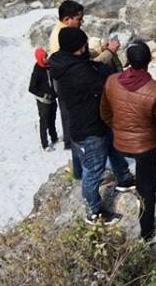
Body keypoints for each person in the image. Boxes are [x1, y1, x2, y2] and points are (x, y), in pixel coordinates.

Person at [49, 27, 136, 226]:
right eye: (84, 45)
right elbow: (103, 84)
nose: (86, 48)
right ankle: (94, 212)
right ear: (76, 48)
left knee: (113, 149)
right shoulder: (77, 71)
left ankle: (124, 178)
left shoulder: (65, 61)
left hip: (93, 121)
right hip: (89, 128)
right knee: (93, 171)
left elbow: (95, 69)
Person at [99, 41, 156, 241]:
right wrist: (155, 140)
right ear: (149, 61)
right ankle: (147, 232)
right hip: (145, 147)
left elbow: (105, 114)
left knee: (142, 181)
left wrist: (119, 129)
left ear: (128, 61)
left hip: (119, 142)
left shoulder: (111, 81)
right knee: (146, 189)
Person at [49, 0, 85, 176]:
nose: (81, 22)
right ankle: (79, 167)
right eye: (79, 19)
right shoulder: (62, 35)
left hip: (65, 81)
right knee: (74, 122)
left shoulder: (62, 31)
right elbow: (69, 63)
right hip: (69, 83)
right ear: (67, 19)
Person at [28, 47, 59, 151]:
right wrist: (44, 95)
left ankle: (54, 138)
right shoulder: (37, 70)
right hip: (43, 102)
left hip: (53, 99)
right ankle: (45, 144)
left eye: (47, 55)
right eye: (45, 57)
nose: (47, 58)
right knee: (44, 122)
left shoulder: (49, 66)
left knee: (52, 119)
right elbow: (31, 88)